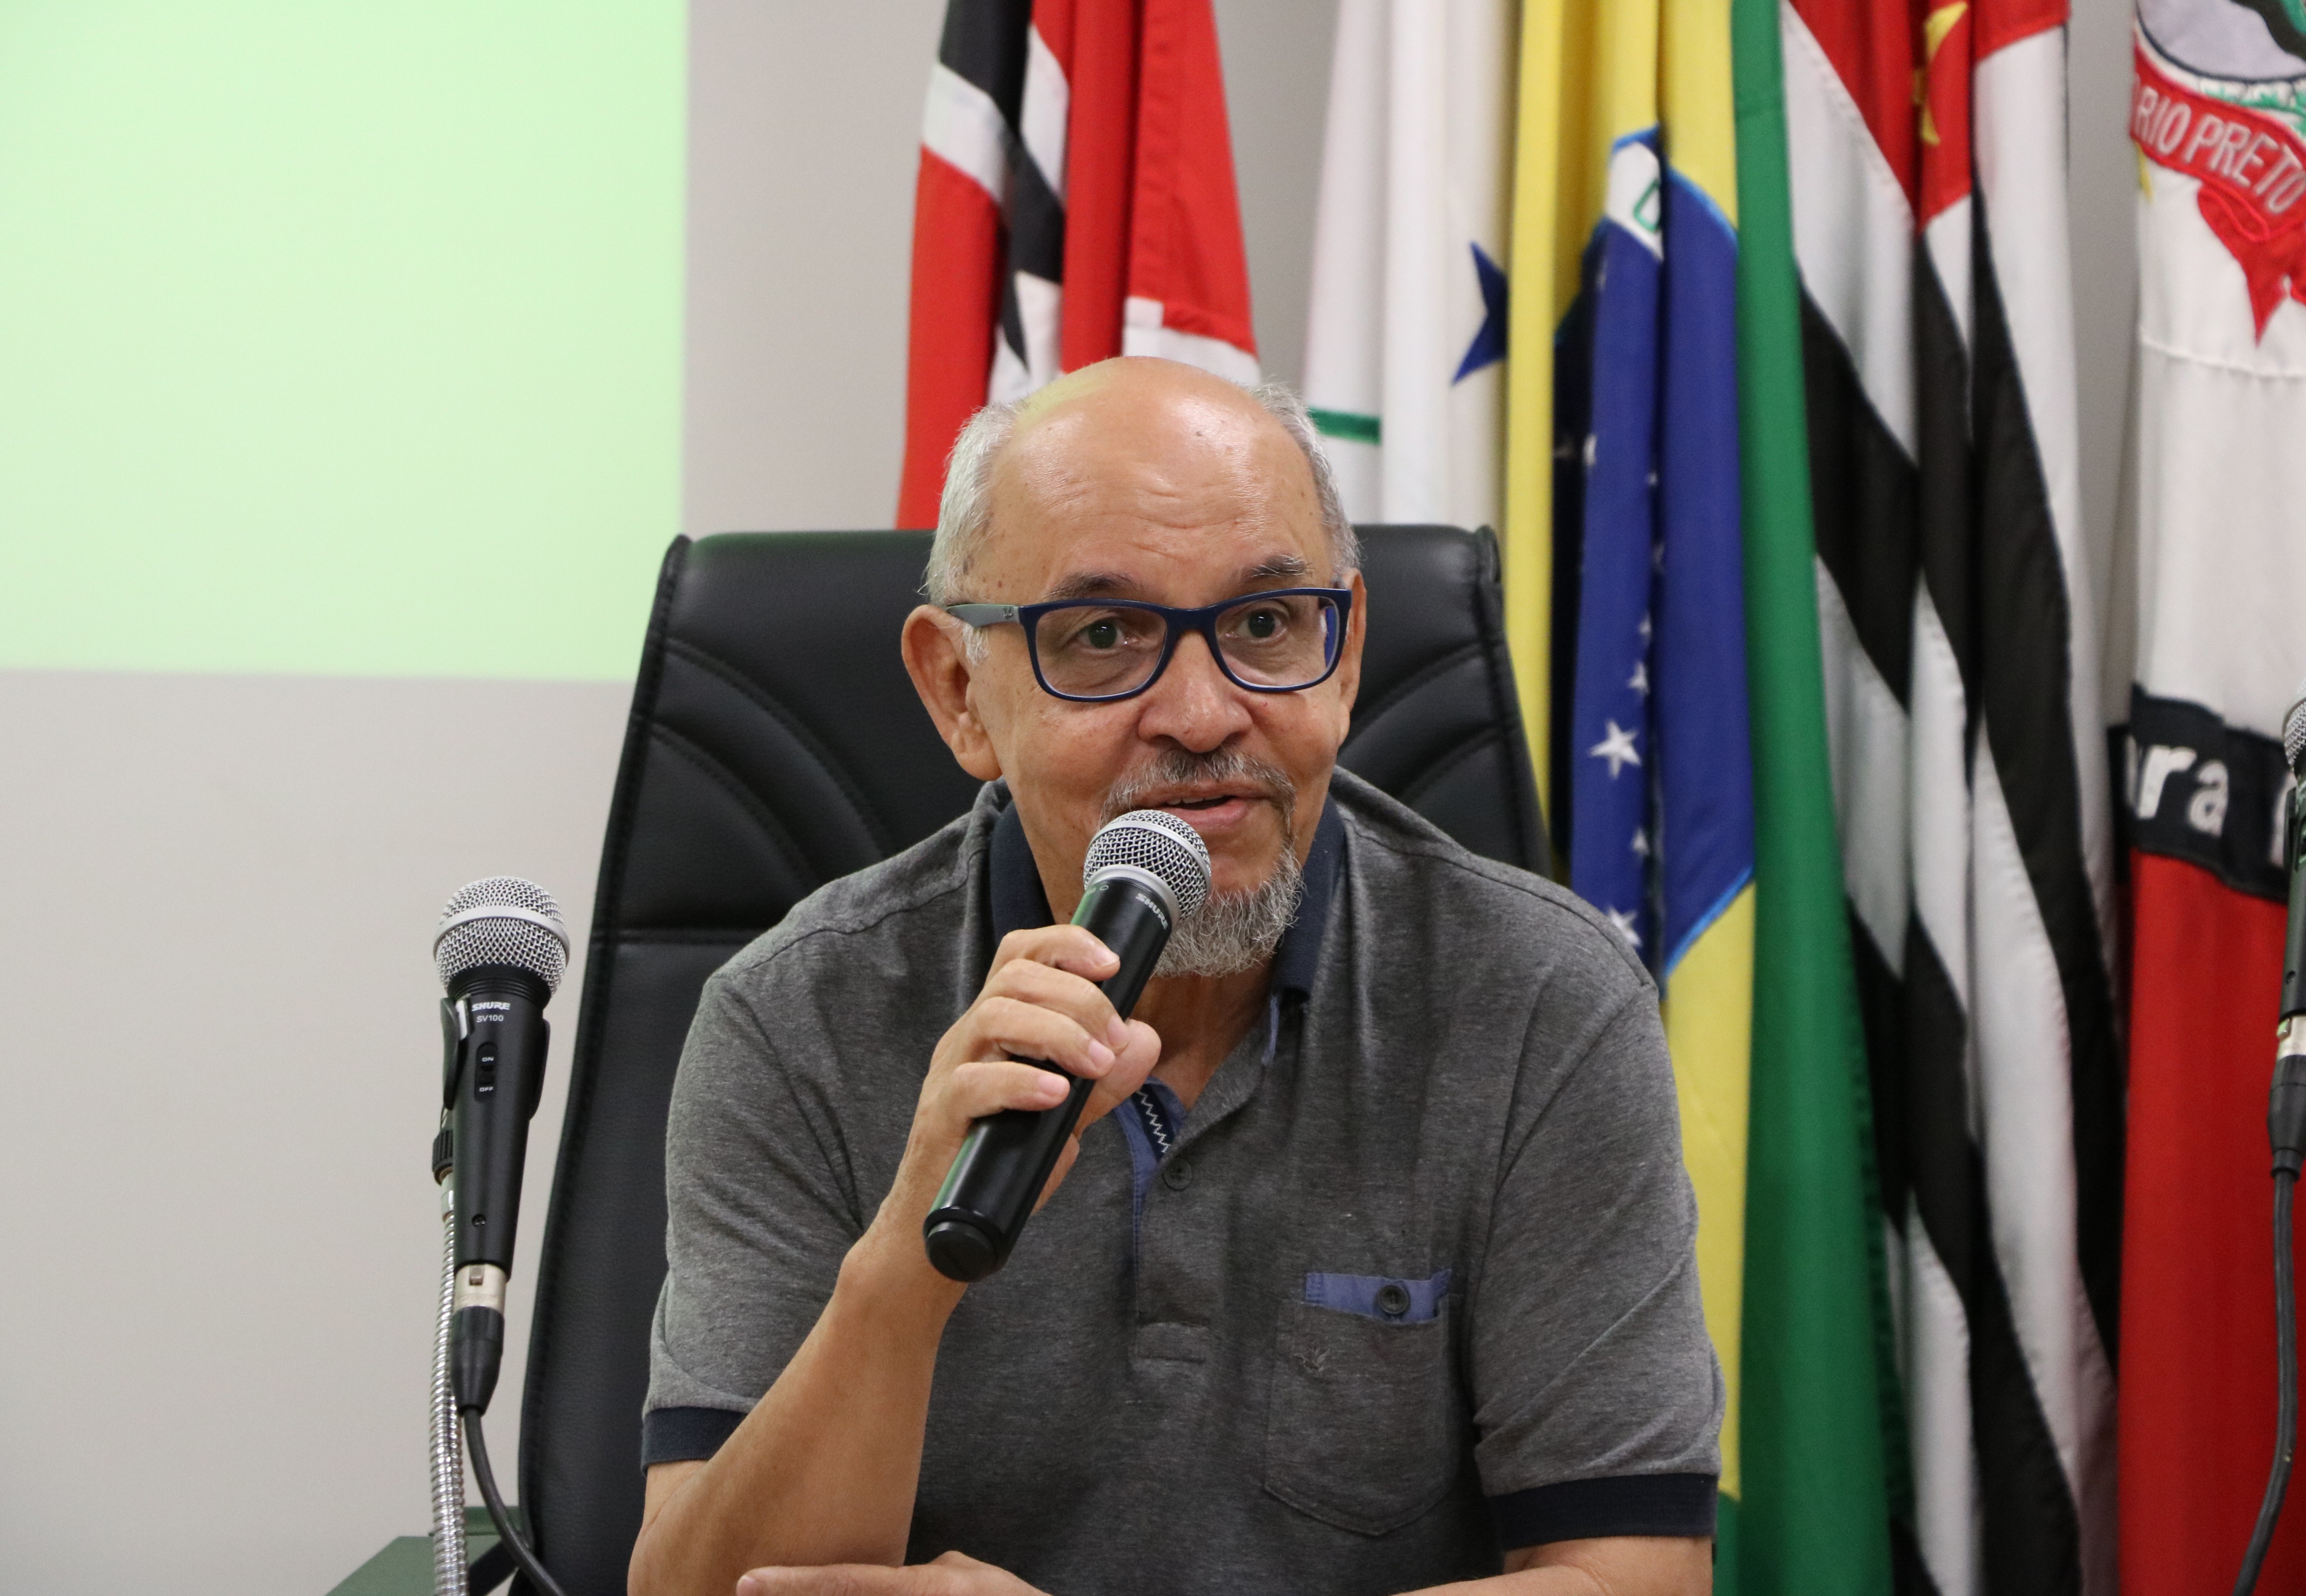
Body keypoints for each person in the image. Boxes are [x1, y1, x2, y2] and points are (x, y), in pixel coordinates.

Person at [629, 358, 1721, 1596]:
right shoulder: (795, 1018)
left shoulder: (1543, 1000)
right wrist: (901, 1274)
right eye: (1104, 637)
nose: (1203, 716)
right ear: (959, 691)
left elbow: (1636, 1578)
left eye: (1265, 625)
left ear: (1346, 654)